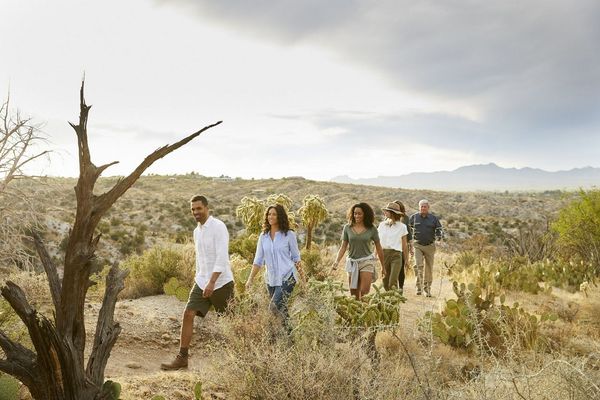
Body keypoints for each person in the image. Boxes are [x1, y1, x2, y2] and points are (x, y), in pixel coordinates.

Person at [161, 195, 234, 370]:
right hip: (201, 281)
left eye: (199, 209)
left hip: (221, 282)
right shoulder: (196, 231)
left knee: (230, 322)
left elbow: (222, 257)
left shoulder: (218, 227)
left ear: (207, 208)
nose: (196, 212)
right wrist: (200, 278)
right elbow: (200, 259)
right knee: (188, 314)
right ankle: (182, 357)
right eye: (193, 209)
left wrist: (212, 282)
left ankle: (238, 357)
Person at [245, 204, 302, 326]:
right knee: (281, 310)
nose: (271, 216)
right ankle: (289, 337)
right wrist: (250, 279)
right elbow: (258, 260)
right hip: (270, 279)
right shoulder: (263, 236)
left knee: (273, 306)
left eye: (274, 214)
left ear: (280, 216)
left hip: (288, 277)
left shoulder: (289, 235)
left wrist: (304, 279)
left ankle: (279, 336)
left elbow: (297, 258)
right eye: (269, 214)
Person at [332, 202, 385, 300]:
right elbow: (343, 247)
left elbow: (378, 247)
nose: (357, 215)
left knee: (364, 291)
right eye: (355, 213)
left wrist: (383, 266)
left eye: (359, 213)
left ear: (365, 214)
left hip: (366, 261)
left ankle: (364, 308)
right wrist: (336, 262)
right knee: (354, 295)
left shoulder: (371, 228)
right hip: (352, 262)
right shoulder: (347, 228)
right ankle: (358, 313)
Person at [408, 199, 444, 297]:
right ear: (419, 207)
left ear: (428, 208)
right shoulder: (413, 218)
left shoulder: (433, 218)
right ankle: (419, 288)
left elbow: (439, 230)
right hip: (417, 245)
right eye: (421, 206)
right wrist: (409, 243)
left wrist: (438, 238)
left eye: (425, 206)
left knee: (429, 268)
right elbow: (408, 230)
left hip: (430, 246)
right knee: (418, 266)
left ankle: (427, 289)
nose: (423, 208)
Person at [377, 202, 409, 293]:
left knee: (392, 281)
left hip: (396, 255)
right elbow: (378, 241)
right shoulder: (382, 225)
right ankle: (390, 301)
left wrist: (406, 259)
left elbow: (404, 245)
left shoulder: (402, 227)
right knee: (385, 282)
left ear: (393, 213)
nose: (385, 212)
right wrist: (375, 254)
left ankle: (395, 302)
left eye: (387, 211)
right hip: (384, 255)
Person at [393, 200, 411, 290]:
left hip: (402, 246)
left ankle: (401, 287)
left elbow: (408, 234)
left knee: (400, 270)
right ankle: (393, 288)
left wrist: (409, 248)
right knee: (392, 269)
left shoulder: (405, 218)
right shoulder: (387, 219)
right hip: (392, 246)